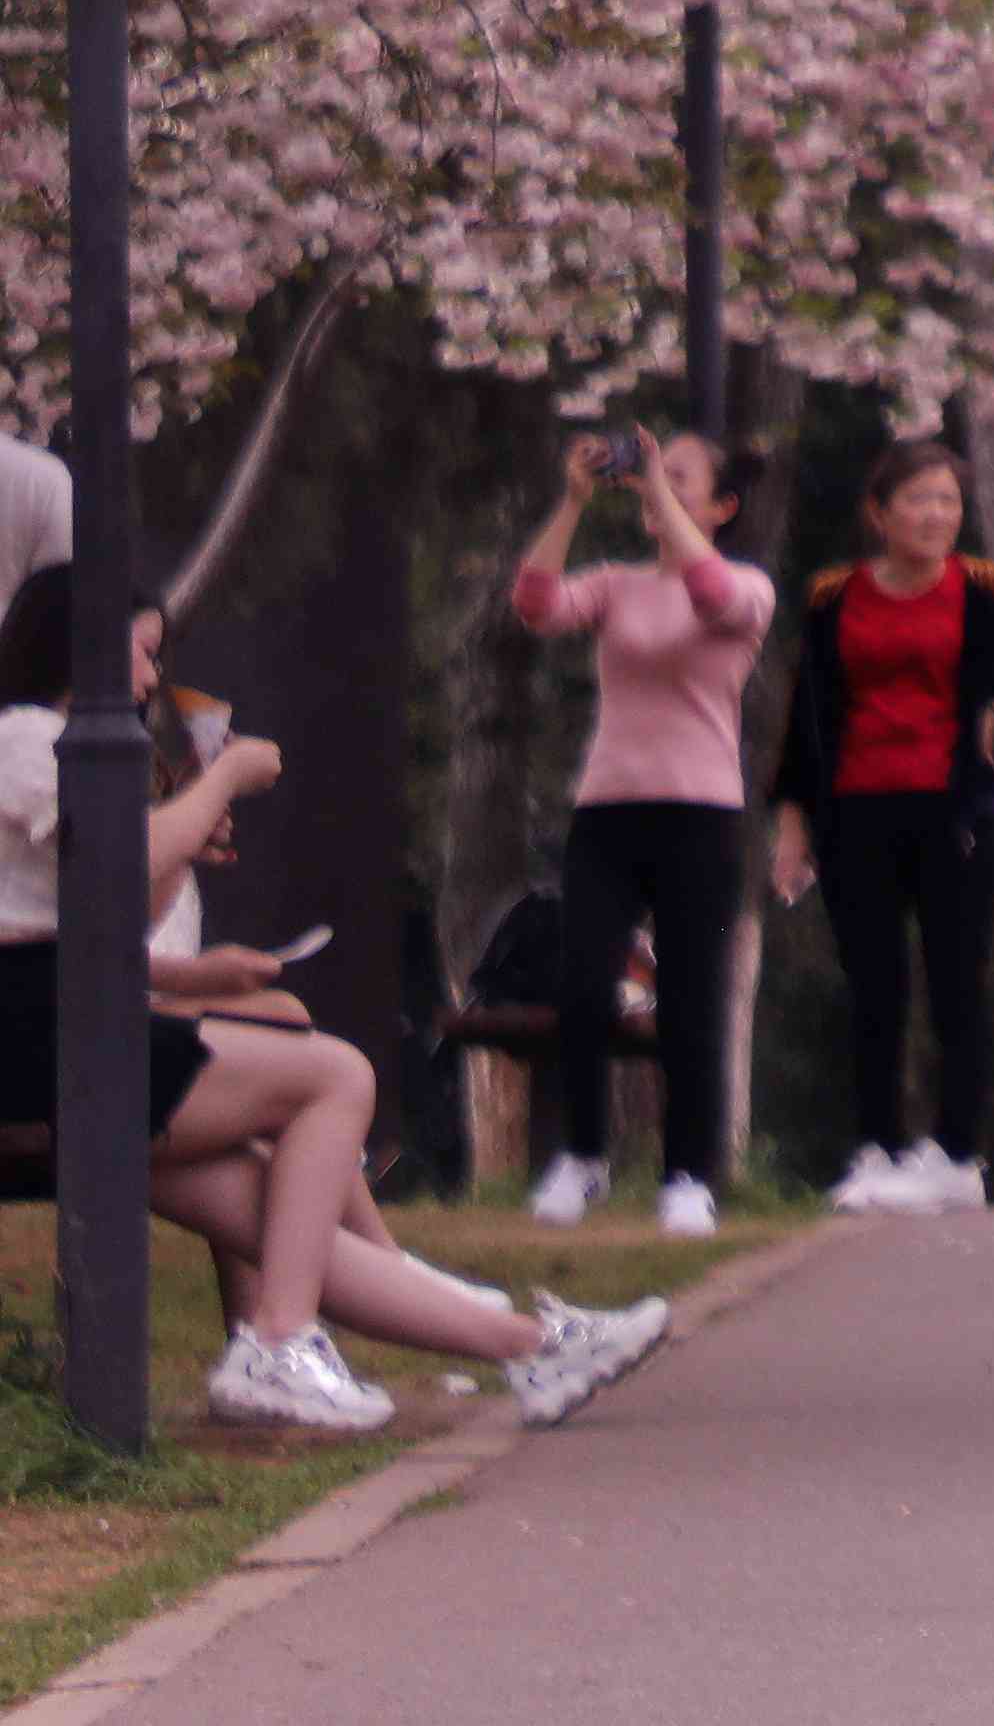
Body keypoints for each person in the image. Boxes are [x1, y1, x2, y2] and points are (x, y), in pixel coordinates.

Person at [0, 568, 669, 1435]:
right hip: (37, 1035)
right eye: (141, 651)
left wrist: (190, 840)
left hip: (70, 1026)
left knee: (282, 1211)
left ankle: (532, 1346)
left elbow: (125, 906)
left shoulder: (73, 749)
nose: (150, 678)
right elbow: (118, 860)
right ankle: (279, 1341)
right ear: (79, 640)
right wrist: (225, 779)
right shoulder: (23, 735)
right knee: (335, 1076)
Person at [766, 428, 994, 1216]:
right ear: (879, 513)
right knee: (872, 987)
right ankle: (875, 1150)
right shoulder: (832, 596)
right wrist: (792, 823)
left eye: (948, 500)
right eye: (919, 499)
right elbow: (805, 715)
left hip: (953, 812)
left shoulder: (984, 586)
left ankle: (955, 1154)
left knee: (956, 986)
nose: (936, 514)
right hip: (854, 808)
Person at [505, 420, 768, 1233]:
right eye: (655, 473)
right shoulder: (617, 584)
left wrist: (654, 484)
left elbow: (710, 595)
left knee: (691, 996)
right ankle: (582, 1158)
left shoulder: (747, 587)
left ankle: (687, 1175)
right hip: (608, 811)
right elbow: (536, 606)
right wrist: (574, 501)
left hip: (703, 815)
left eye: (681, 477)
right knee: (583, 986)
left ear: (721, 506)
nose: (657, 485)